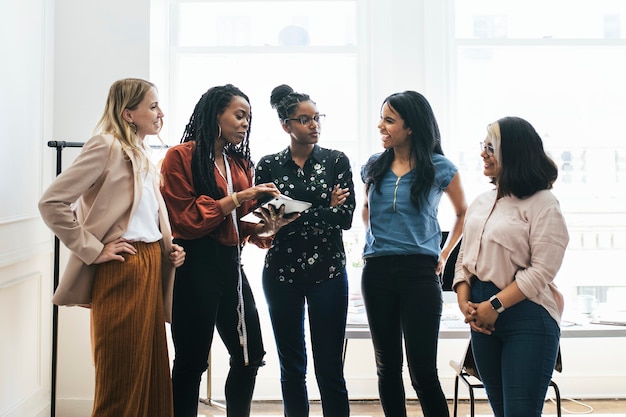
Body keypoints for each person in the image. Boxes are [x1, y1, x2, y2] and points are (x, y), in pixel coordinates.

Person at [38, 78, 186, 417]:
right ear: (128, 113)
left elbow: (145, 214)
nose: (160, 112)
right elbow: (52, 202)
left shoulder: (142, 151)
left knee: (150, 375)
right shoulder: (105, 145)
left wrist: (169, 248)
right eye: (152, 106)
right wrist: (92, 248)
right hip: (124, 267)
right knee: (120, 375)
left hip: (150, 263)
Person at [159, 84, 296, 417]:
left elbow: (244, 226)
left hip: (231, 268)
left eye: (248, 117)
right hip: (193, 267)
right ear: (214, 114)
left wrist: (272, 223)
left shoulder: (238, 162)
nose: (245, 123)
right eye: (239, 115)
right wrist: (239, 197)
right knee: (191, 362)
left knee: (251, 356)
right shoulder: (180, 156)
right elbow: (187, 219)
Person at [452, 116, 569, 417]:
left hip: (527, 316)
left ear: (513, 152)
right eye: (484, 146)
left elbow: (543, 271)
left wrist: (495, 305)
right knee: (501, 411)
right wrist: (465, 301)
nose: (483, 154)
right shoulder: (481, 202)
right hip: (481, 315)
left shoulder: (543, 203)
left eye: (491, 148)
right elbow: (464, 257)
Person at [360, 90, 467, 417]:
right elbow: (366, 209)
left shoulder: (439, 167)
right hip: (376, 271)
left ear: (411, 127)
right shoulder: (373, 167)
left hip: (420, 274)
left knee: (422, 371)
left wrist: (445, 253)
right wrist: (376, 233)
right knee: (387, 367)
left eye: (389, 120)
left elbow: (464, 213)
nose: (381, 125)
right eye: (382, 118)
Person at [255, 84, 355, 417]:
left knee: (329, 366)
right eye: (304, 120)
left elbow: (345, 217)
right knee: (292, 367)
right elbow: (264, 223)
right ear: (286, 125)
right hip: (281, 274)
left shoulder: (336, 160)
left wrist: (292, 213)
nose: (314, 125)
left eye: (317, 118)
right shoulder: (268, 166)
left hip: (328, 273)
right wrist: (322, 207)